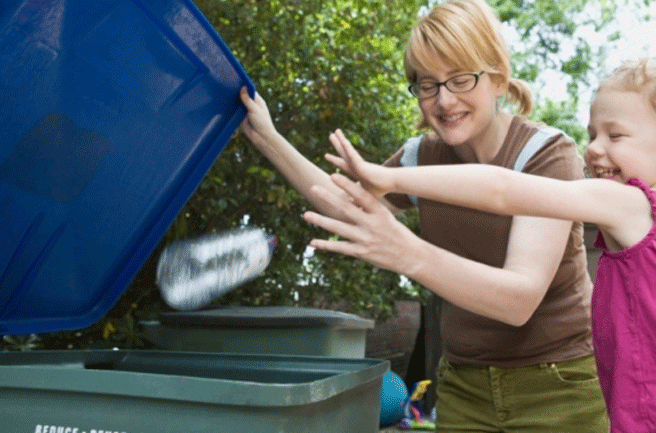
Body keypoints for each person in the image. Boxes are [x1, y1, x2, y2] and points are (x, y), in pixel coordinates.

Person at [302, 56, 656, 432]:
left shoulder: (633, 206)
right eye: (592, 133)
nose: (594, 149)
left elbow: (501, 190)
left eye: (615, 135)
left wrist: (390, 177)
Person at [240, 0, 609, 431]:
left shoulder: (546, 154)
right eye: (427, 85)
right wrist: (267, 137)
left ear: (498, 78)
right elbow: (348, 206)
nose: (443, 100)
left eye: (459, 79)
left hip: (559, 382)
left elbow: (517, 300)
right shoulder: (420, 156)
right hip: (463, 384)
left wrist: (406, 252)